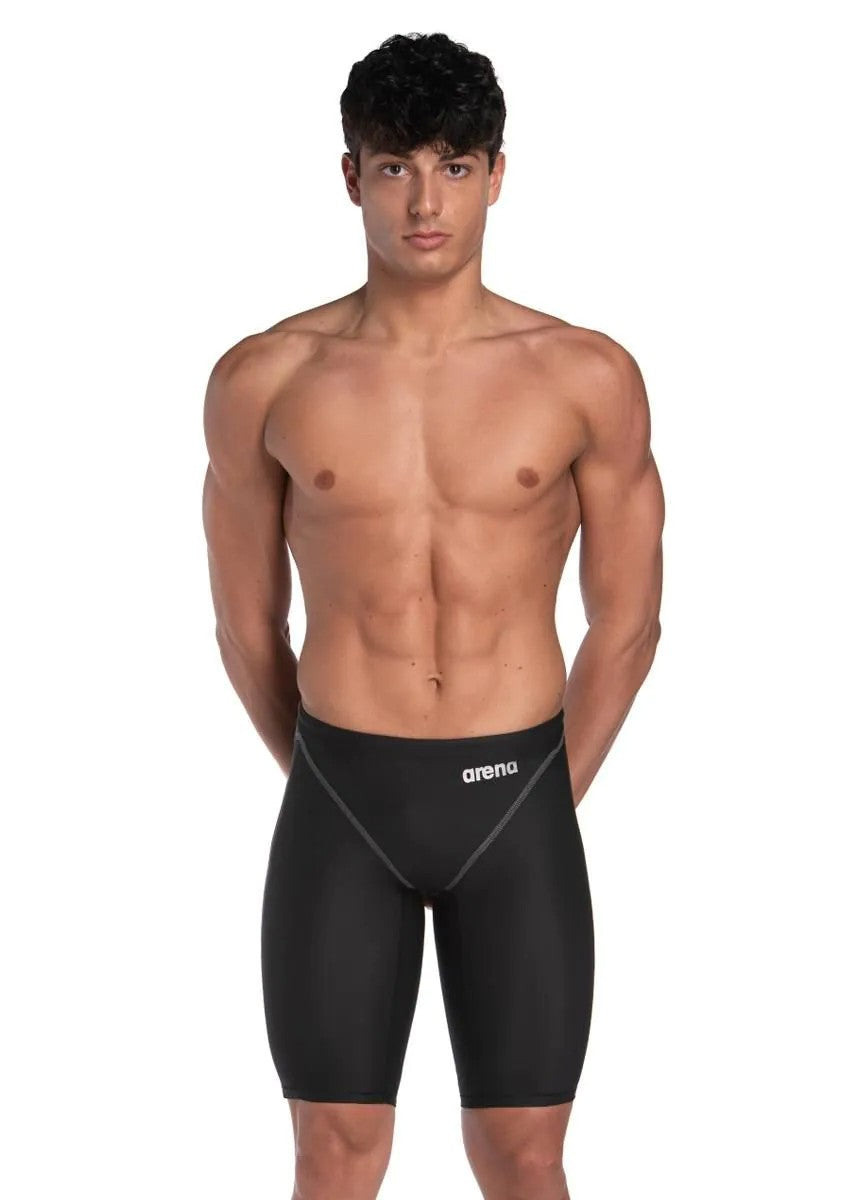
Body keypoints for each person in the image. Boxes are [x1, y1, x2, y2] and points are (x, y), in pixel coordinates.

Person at [202, 30, 664, 1200]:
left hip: (517, 797)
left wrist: (538, 794)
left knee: (522, 1159)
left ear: (496, 175)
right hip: (340, 802)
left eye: (454, 166)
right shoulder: (264, 377)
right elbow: (246, 626)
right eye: (395, 166)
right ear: (349, 176)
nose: (423, 201)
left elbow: (627, 622)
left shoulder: (583, 374)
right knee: (332, 1158)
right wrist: (330, 775)